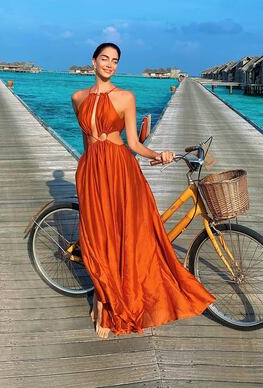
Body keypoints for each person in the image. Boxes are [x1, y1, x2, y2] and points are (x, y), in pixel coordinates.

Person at [71, 43, 215, 339]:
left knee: (122, 236)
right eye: (104, 59)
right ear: (93, 61)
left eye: (114, 61)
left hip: (121, 171)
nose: (109, 64)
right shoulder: (78, 98)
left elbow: (133, 144)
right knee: (97, 238)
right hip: (91, 173)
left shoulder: (125, 97)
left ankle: (105, 305)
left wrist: (158, 155)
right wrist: (86, 171)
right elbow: (87, 142)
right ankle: (102, 296)